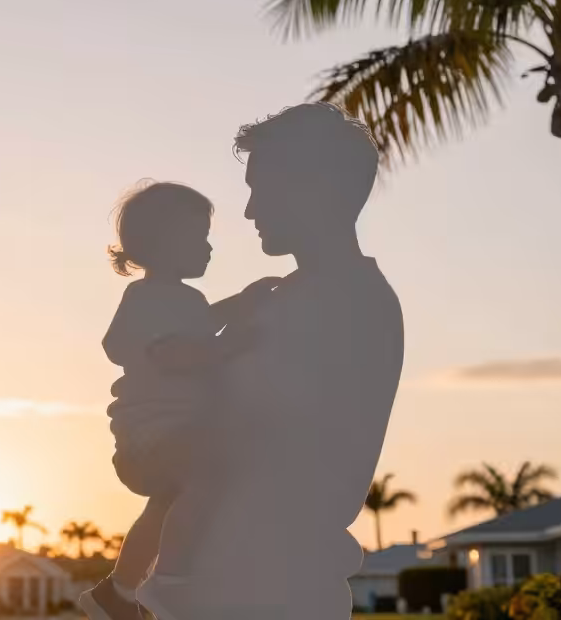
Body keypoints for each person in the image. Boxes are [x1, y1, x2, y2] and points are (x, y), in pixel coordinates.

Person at [121, 103, 405, 620]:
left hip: (271, 595)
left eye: (260, 189)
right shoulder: (286, 298)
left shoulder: (350, 304)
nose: (250, 211)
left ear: (313, 190)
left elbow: (258, 440)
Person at [81, 181, 277, 620]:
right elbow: (174, 353)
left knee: (167, 507)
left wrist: (238, 305)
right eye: (198, 238)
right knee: (212, 478)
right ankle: (171, 580)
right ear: (163, 243)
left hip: (166, 439)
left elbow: (196, 326)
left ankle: (119, 590)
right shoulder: (147, 297)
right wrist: (231, 346)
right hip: (157, 436)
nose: (208, 248)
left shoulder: (180, 300)